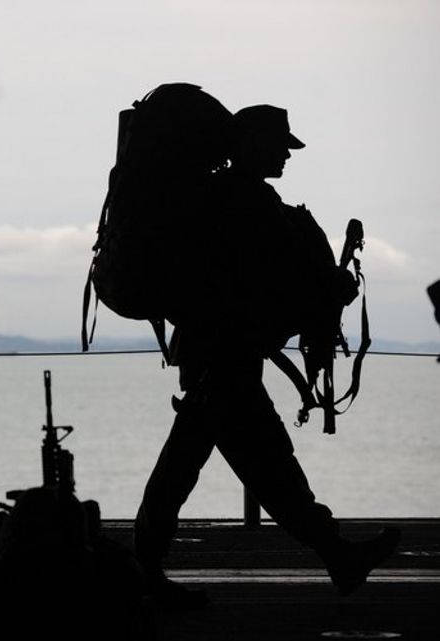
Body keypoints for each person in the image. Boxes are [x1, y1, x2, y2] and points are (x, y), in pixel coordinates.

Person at [132, 104, 401, 610]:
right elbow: (267, 285)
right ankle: (336, 553)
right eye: (279, 145)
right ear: (250, 144)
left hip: (216, 355)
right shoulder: (244, 201)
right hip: (224, 357)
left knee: (209, 466)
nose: (285, 154)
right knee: (264, 468)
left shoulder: (225, 198)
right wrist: (333, 288)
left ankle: (143, 569)